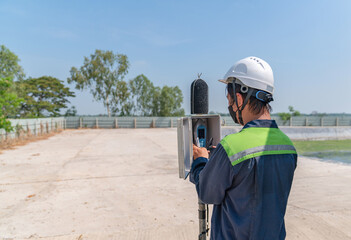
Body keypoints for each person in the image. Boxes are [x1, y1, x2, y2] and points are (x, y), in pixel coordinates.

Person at [190, 56, 297, 240]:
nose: (230, 106)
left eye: (230, 100)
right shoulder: (288, 146)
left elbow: (207, 193)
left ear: (239, 99)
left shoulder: (232, 147)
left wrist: (201, 161)